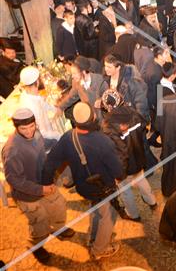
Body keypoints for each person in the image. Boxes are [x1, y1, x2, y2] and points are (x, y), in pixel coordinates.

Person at [42, 102, 123, 259]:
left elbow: (49, 163)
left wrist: (46, 183)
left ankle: (93, 237)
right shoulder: (103, 141)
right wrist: (120, 177)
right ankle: (99, 249)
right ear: (93, 118)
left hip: (83, 186)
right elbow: (118, 171)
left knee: (96, 209)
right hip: (103, 187)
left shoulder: (68, 137)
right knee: (108, 216)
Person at [2, 108, 74, 263]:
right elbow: (14, 180)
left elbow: (43, 145)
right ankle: (35, 246)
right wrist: (40, 189)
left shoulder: (36, 133)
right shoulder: (12, 150)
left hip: (45, 183)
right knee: (39, 223)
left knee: (59, 206)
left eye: (31, 126)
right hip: (28, 195)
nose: (29, 132)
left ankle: (58, 229)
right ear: (16, 127)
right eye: (24, 128)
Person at [102, 105, 157, 221]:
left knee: (125, 190)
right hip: (138, 158)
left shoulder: (109, 126)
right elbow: (144, 126)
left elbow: (121, 152)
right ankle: (152, 201)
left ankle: (133, 214)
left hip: (124, 166)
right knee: (141, 179)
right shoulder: (134, 113)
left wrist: (119, 174)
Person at [18, 66, 63, 142]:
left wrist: (55, 109)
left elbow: (43, 103)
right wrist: (59, 136)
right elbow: (43, 132)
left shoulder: (28, 93)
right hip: (45, 139)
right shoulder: (32, 106)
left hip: (48, 128)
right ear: (37, 82)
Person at [101, 54, 149, 122]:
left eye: (109, 67)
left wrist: (137, 122)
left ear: (118, 68)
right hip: (115, 119)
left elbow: (141, 104)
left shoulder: (131, 81)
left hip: (129, 119)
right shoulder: (105, 78)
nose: (106, 69)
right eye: (105, 65)